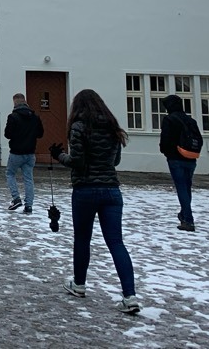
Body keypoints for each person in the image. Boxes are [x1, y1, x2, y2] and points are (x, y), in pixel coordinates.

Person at [48, 89, 141, 315]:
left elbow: (77, 161)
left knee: (82, 238)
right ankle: (130, 295)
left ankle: (79, 284)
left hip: (85, 190)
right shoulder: (112, 127)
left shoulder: (79, 127)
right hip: (111, 191)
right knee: (116, 243)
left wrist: (58, 156)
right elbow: (115, 160)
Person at [159, 94, 197, 231]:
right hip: (191, 157)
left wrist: (166, 152)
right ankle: (184, 214)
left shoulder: (169, 120)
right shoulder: (190, 120)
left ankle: (188, 219)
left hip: (176, 158)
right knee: (186, 187)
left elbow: (166, 139)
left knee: (181, 188)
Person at [4, 92, 44, 214]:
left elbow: (7, 134)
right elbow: (40, 134)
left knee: (10, 174)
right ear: (25, 102)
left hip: (16, 152)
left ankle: (16, 198)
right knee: (28, 179)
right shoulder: (35, 117)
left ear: (15, 102)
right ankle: (29, 206)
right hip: (30, 153)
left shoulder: (13, 117)